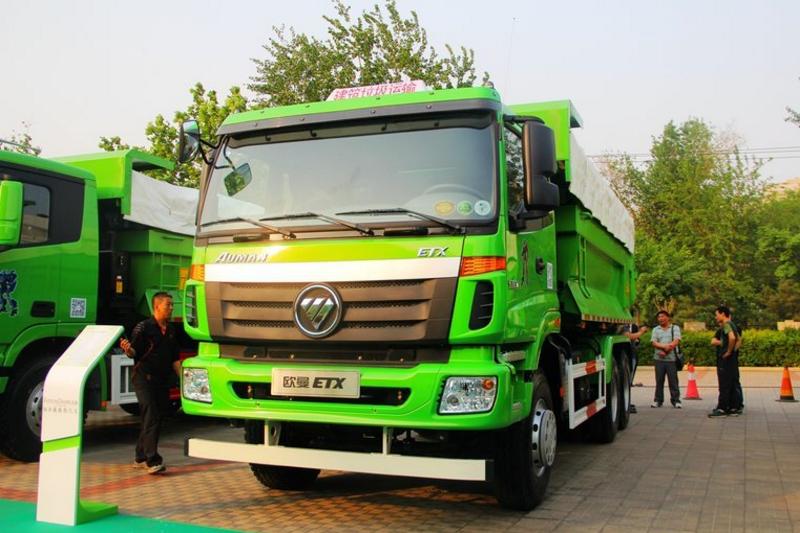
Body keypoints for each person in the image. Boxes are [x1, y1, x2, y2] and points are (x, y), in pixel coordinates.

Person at [120, 292, 182, 474]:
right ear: (156, 306)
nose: (171, 308)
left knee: (156, 417)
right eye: (168, 305)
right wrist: (128, 350)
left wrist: (183, 379)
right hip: (143, 379)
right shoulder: (144, 327)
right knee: (151, 415)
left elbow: (175, 359)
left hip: (161, 380)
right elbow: (133, 352)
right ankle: (152, 460)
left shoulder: (171, 330)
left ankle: (140, 457)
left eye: (172, 305)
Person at [709, 305, 742, 417]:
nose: (716, 317)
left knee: (724, 384)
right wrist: (734, 352)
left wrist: (728, 351)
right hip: (732, 360)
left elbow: (732, 338)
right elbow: (739, 340)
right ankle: (733, 407)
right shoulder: (733, 325)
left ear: (723, 314)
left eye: (717, 314)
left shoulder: (726, 325)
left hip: (725, 360)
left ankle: (722, 408)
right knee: (732, 383)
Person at [650, 310, 682, 409]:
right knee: (659, 381)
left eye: (663, 316)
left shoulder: (675, 328)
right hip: (659, 359)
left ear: (668, 318)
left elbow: (676, 341)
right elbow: (654, 342)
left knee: (673, 381)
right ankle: (658, 400)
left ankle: (676, 400)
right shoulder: (656, 329)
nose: (661, 319)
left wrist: (667, 350)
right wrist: (665, 347)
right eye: (659, 317)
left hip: (671, 359)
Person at [621, 307, 648, 413]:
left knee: (629, 378)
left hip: (632, 354)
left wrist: (637, 338)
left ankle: (627, 402)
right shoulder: (621, 323)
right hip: (626, 355)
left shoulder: (633, 325)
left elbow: (635, 339)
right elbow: (628, 336)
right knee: (626, 379)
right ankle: (626, 402)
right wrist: (641, 332)